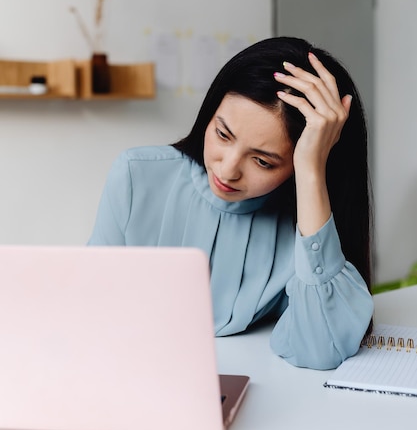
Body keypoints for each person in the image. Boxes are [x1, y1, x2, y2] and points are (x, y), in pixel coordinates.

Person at [88, 36, 374, 370]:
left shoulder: (304, 219)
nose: (227, 170)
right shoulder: (137, 175)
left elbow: (320, 349)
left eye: (263, 162)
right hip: (127, 371)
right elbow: (92, 304)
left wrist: (312, 171)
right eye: (223, 134)